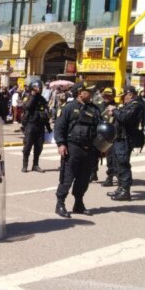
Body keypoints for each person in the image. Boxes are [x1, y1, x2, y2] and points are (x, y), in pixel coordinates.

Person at [53, 82, 101, 218]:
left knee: (83, 179)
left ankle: (78, 203)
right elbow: (59, 127)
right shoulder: (69, 108)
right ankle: (60, 204)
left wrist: (102, 147)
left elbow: (99, 128)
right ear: (80, 93)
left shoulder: (94, 109)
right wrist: (61, 144)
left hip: (89, 149)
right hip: (73, 148)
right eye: (88, 91)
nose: (91, 94)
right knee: (67, 177)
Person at [105, 86, 145, 201]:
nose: (123, 99)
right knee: (117, 163)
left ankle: (125, 190)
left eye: (124, 96)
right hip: (120, 137)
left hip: (126, 138)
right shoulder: (130, 105)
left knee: (123, 164)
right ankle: (121, 187)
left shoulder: (136, 105)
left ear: (130, 95)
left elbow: (125, 117)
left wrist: (114, 111)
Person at [21, 80, 52, 173]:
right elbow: (28, 107)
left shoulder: (42, 99)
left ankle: (35, 164)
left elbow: (46, 114)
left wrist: (48, 126)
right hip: (30, 125)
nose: (39, 89)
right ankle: (25, 165)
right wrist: (34, 95)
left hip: (40, 126)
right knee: (27, 146)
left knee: (39, 147)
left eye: (40, 88)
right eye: (37, 88)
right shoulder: (28, 97)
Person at [96, 88, 117, 187]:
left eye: (109, 95)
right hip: (99, 134)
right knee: (94, 155)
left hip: (110, 135)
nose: (107, 97)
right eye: (105, 95)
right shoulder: (99, 105)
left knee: (110, 158)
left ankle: (110, 177)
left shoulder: (117, 107)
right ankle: (93, 173)